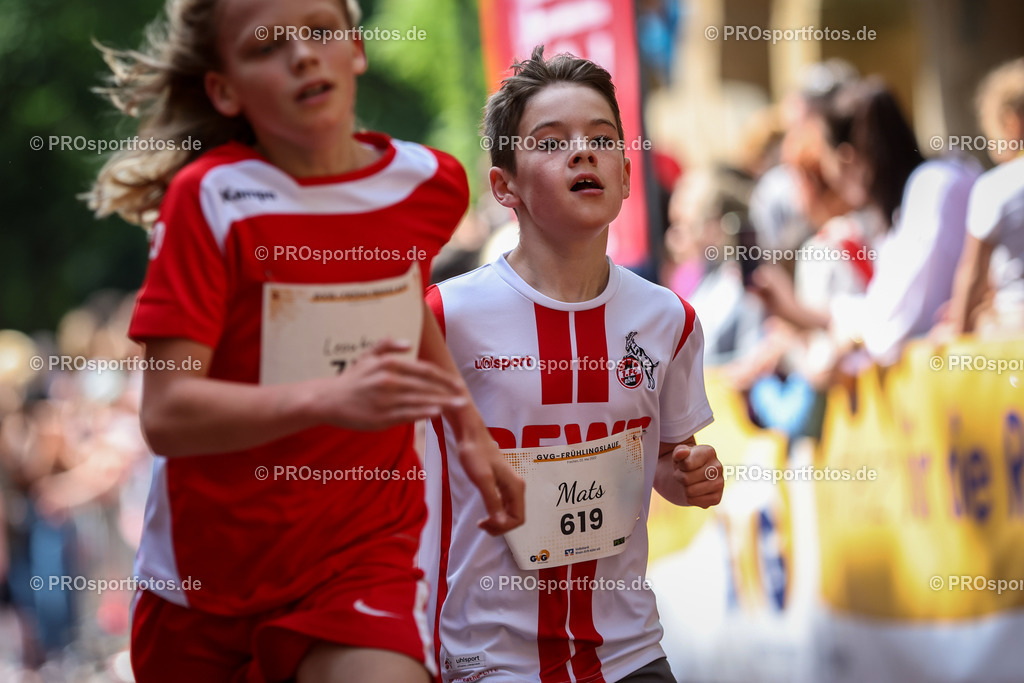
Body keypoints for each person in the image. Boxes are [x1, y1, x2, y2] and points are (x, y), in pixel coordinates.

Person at [84, 0, 524, 681]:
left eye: (321, 32)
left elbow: (398, 301)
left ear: (356, 49)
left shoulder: (427, 183)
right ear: (223, 89)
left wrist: (468, 426)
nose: (302, 55)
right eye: (266, 46)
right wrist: (329, 397)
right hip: (205, 587)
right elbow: (167, 415)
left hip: (364, 551)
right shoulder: (210, 199)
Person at [420, 46, 724, 683]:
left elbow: (669, 459)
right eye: (550, 141)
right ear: (504, 186)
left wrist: (689, 475)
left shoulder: (670, 320)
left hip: (631, 654)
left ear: (625, 173)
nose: (583, 152)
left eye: (602, 138)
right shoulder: (446, 317)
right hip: (488, 663)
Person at [752, 78, 981, 367]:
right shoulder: (916, 198)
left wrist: (815, 320)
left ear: (847, 160)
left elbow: (891, 327)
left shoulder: (932, 187)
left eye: (826, 160)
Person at [948, 57, 1024, 336]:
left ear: (1011, 121)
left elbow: (973, 273)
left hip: (1015, 322)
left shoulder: (995, 186)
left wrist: (958, 328)